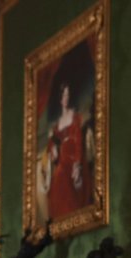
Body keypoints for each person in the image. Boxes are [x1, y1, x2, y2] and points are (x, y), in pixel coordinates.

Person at [44, 82, 91, 219]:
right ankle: (61, 219)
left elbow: (78, 141)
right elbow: (52, 144)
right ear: (60, 99)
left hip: (73, 159)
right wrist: (52, 148)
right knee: (58, 178)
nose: (66, 98)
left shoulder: (74, 117)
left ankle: (70, 216)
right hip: (62, 160)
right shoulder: (57, 124)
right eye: (64, 95)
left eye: (68, 95)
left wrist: (77, 164)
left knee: (62, 176)